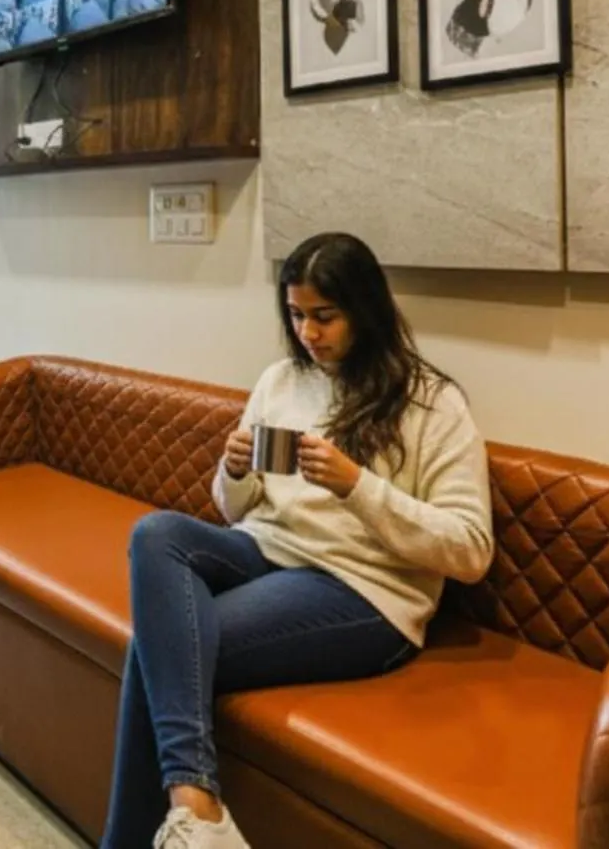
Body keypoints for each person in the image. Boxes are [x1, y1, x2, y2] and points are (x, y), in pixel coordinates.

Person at [101, 232, 494, 849]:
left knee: (155, 649)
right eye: (296, 315)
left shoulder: (431, 403)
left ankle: (187, 809)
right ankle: (197, 811)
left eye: (324, 317)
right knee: (156, 533)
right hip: (267, 551)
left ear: (365, 309)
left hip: (361, 591)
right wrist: (233, 472)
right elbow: (234, 512)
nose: (309, 333)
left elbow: (471, 551)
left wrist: (357, 486)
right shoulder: (282, 380)